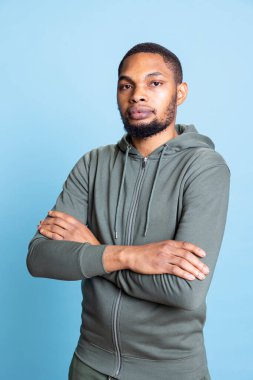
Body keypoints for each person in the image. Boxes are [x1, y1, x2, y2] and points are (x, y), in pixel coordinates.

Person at [26, 42, 230, 380]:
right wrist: (130, 256)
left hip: (169, 371)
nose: (137, 95)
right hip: (89, 364)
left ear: (180, 93)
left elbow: (185, 292)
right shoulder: (92, 164)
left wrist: (92, 253)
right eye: (126, 85)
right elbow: (40, 258)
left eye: (154, 83)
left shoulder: (205, 168)